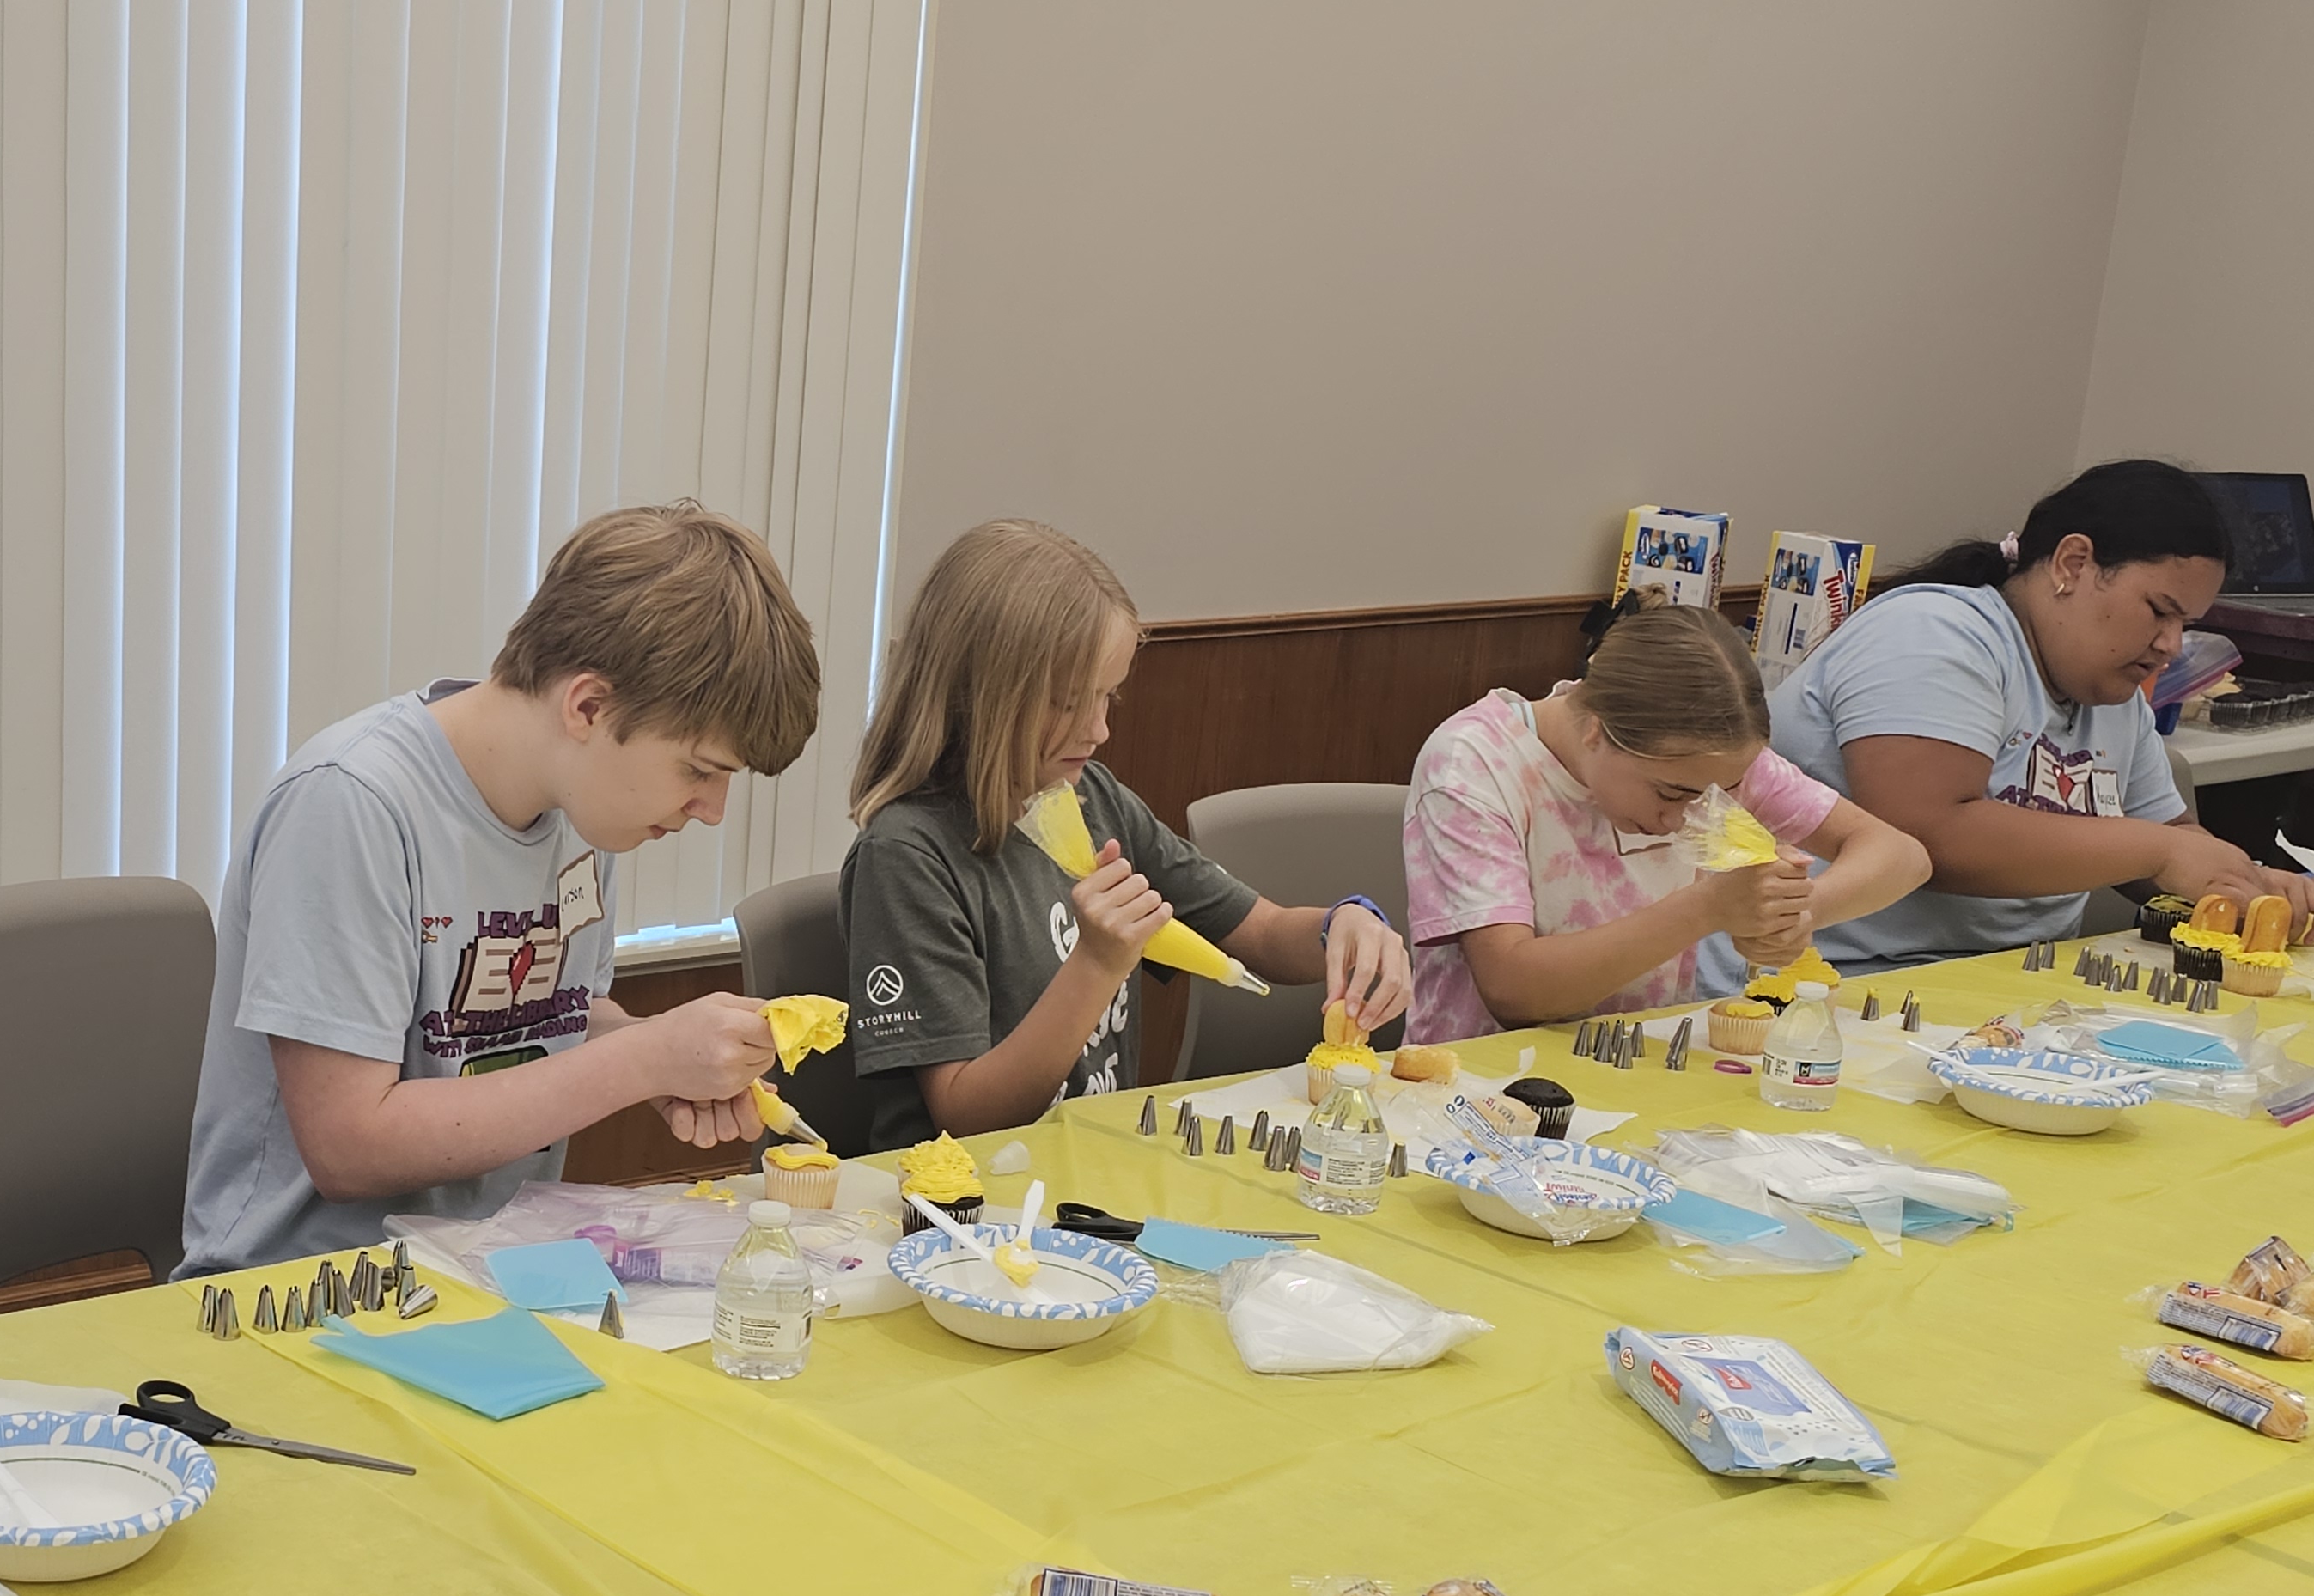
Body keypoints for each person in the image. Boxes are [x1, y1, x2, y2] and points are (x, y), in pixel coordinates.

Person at [179, 503, 821, 1276]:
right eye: (698, 769)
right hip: (301, 1290)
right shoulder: (350, 803)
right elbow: (350, 1144)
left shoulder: (582, 810)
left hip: (488, 1267)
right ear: (588, 707)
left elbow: (550, 1019)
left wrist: (670, 1056)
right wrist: (641, 1061)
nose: (711, 810)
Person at [840, 521, 1410, 1148]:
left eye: (1108, 698)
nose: (1099, 729)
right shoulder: (907, 855)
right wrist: (1094, 964)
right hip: (962, 1190)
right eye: (1068, 702)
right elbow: (967, 1116)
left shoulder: (1093, 799)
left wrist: (1343, 925)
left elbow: (1261, 932)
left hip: (1092, 1165)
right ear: (981, 696)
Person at [1766, 460, 2314, 965]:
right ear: (2073, 563)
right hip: (1830, 977)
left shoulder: (2112, 695)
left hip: (2007, 983)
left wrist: (2242, 883)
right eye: (2158, 611)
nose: (2170, 645)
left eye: (2185, 625)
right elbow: (1925, 836)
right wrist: (2162, 852)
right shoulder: (1933, 633)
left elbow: (2169, 847)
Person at [1403, 600, 1930, 1038]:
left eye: (1714, 795)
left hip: (1643, 1061)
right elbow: (1513, 991)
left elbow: (1903, 857)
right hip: (1476, 1083)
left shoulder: (1708, 766)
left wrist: (1791, 914)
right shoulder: (1474, 763)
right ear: (1596, 732)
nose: (1682, 820)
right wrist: (1707, 909)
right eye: (1669, 793)